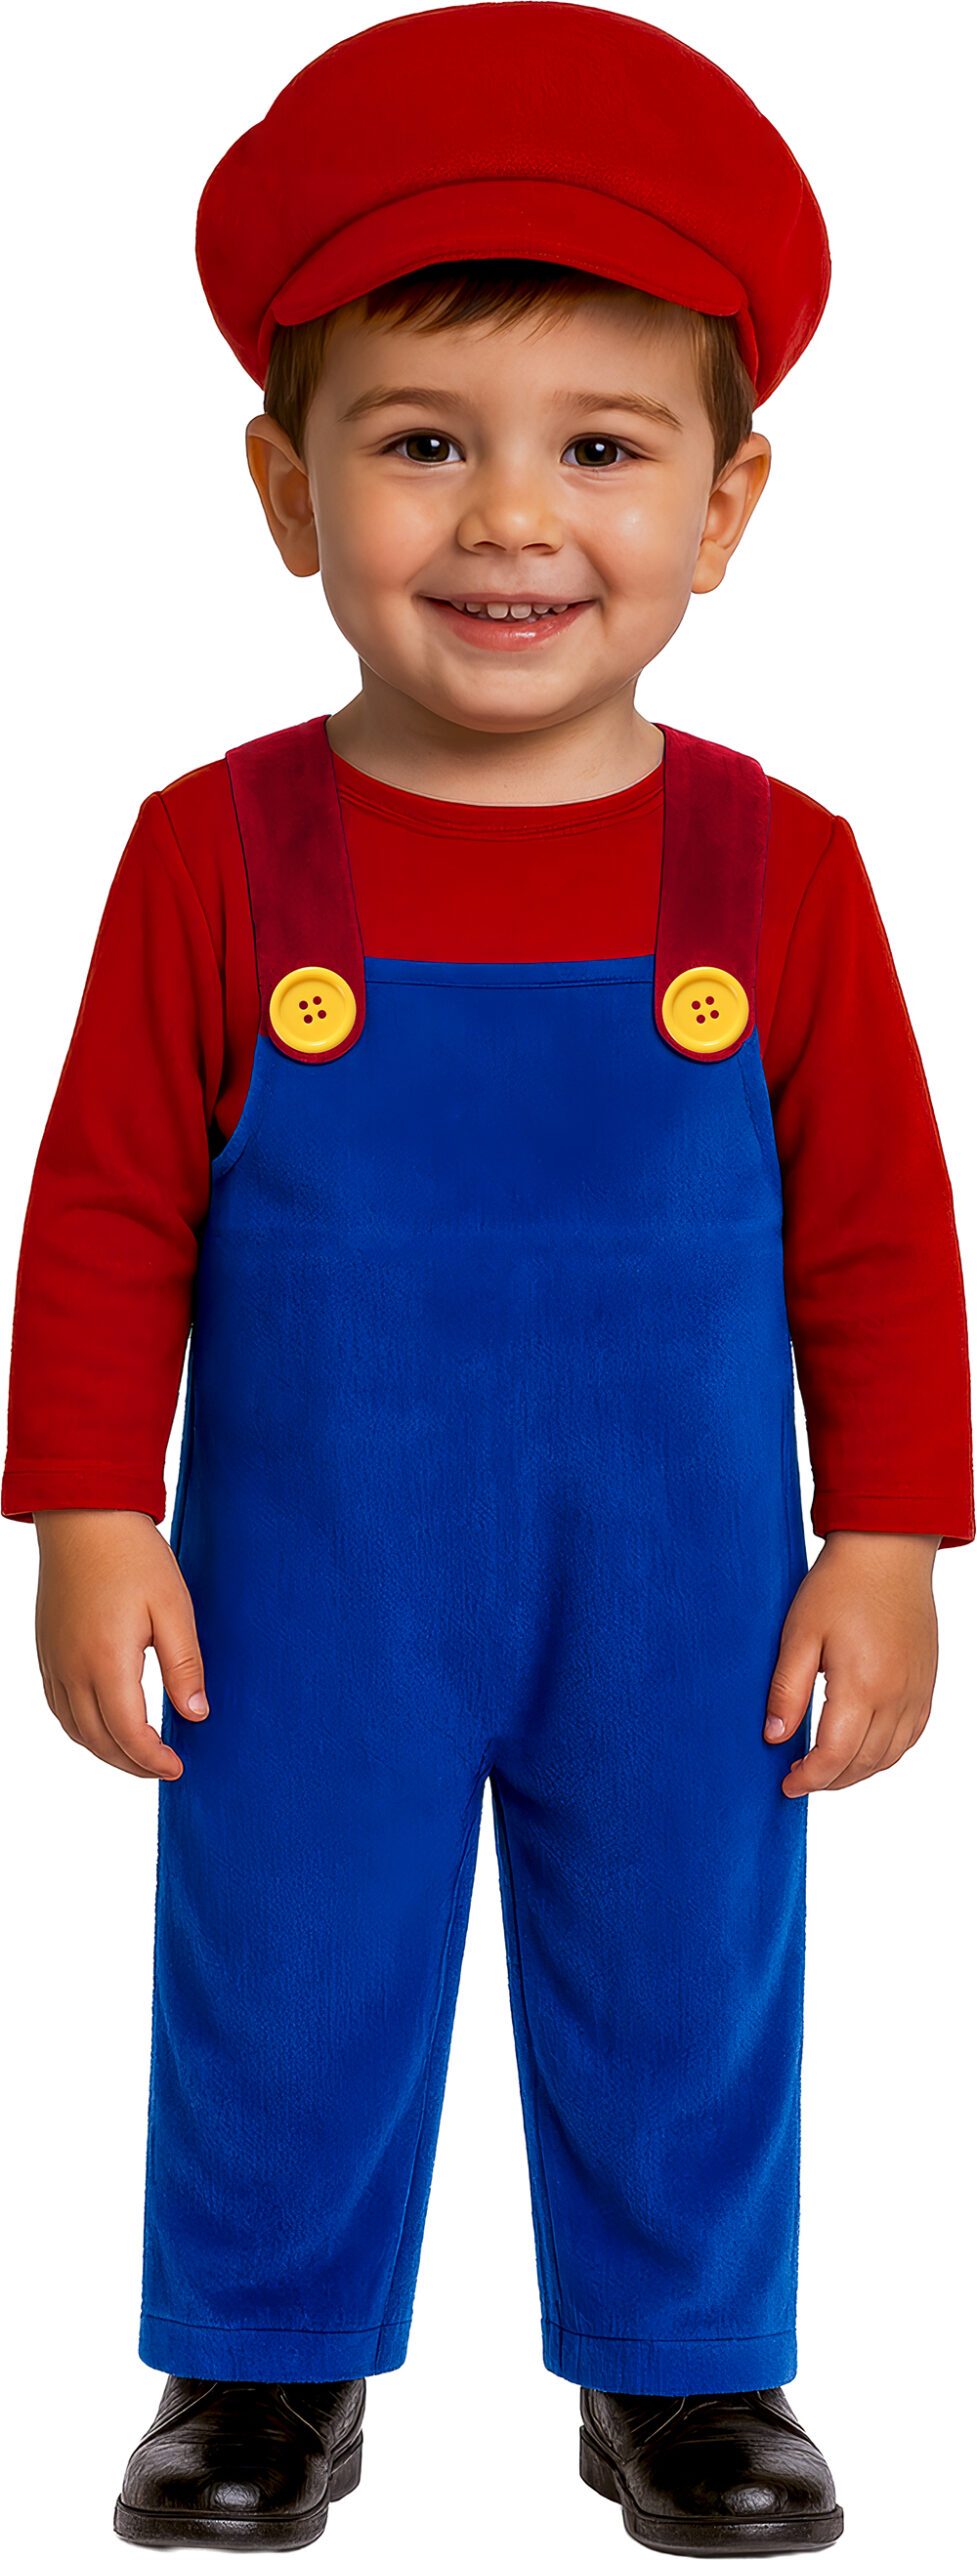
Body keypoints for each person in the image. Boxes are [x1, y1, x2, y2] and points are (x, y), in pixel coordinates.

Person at [4, 7, 973, 2552]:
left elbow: (880, 1232)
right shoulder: (218, 855)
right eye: (423, 441)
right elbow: (105, 1203)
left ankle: (688, 2369)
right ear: (285, 485)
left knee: (686, 1958)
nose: (511, 517)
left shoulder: (781, 870)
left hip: (682, 1573)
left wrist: (889, 1539)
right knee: (284, 1952)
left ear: (729, 504)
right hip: (310, 1568)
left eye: (603, 449)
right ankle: (259, 2360)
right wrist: (88, 1511)